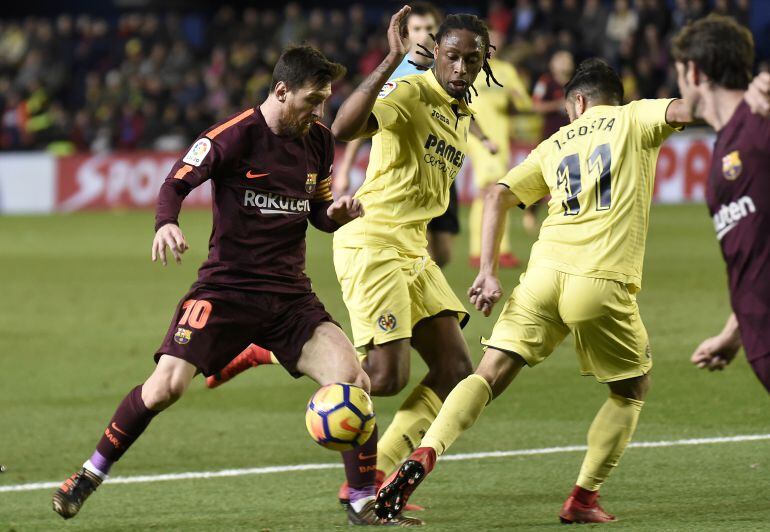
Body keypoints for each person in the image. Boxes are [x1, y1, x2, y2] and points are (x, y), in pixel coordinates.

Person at [51, 45, 419, 527]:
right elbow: (175, 183)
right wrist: (167, 223)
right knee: (165, 388)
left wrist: (337, 214)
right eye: (312, 99)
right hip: (225, 291)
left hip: (289, 299)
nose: (319, 110)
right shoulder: (234, 134)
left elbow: (318, 216)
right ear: (282, 91)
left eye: (325, 100)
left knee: (354, 381)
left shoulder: (319, 142)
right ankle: (88, 474)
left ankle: (360, 498)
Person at [376, 58, 700, 524]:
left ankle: (424, 453)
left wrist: (487, 270)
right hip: (600, 279)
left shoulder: (556, 142)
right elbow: (684, 111)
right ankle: (583, 499)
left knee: (487, 376)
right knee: (631, 389)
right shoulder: (633, 116)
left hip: (543, 275)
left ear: (579, 102)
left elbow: (497, 195)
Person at [329, 7, 506, 512]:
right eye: (451, 57)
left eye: (471, 60)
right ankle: (287, 349)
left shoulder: (463, 113)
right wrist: (390, 59)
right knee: (385, 379)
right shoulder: (410, 92)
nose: (459, 68)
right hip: (374, 241)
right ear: (439, 56)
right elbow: (342, 127)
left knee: (455, 370)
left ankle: (376, 472)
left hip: (413, 248)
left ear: (482, 62)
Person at [672, 15, 770, 394]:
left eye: (680, 75)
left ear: (694, 72)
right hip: (759, 336)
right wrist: (735, 331)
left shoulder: (760, 120)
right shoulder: (725, 148)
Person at [334, 2, 462, 269]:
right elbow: (365, 122)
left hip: (439, 167)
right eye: (417, 28)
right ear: (406, 34)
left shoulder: (448, 73)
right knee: (417, 250)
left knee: (444, 253)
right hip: (406, 172)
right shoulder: (396, 72)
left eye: (430, 27)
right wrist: (345, 169)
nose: (424, 33)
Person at [467, 29, 532, 269]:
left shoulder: (506, 71)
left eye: (498, 40)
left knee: (487, 193)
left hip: (500, 138)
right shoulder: (470, 67)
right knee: (493, 190)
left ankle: (478, 251)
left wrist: (518, 95)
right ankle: (498, 250)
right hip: (479, 137)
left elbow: (524, 103)